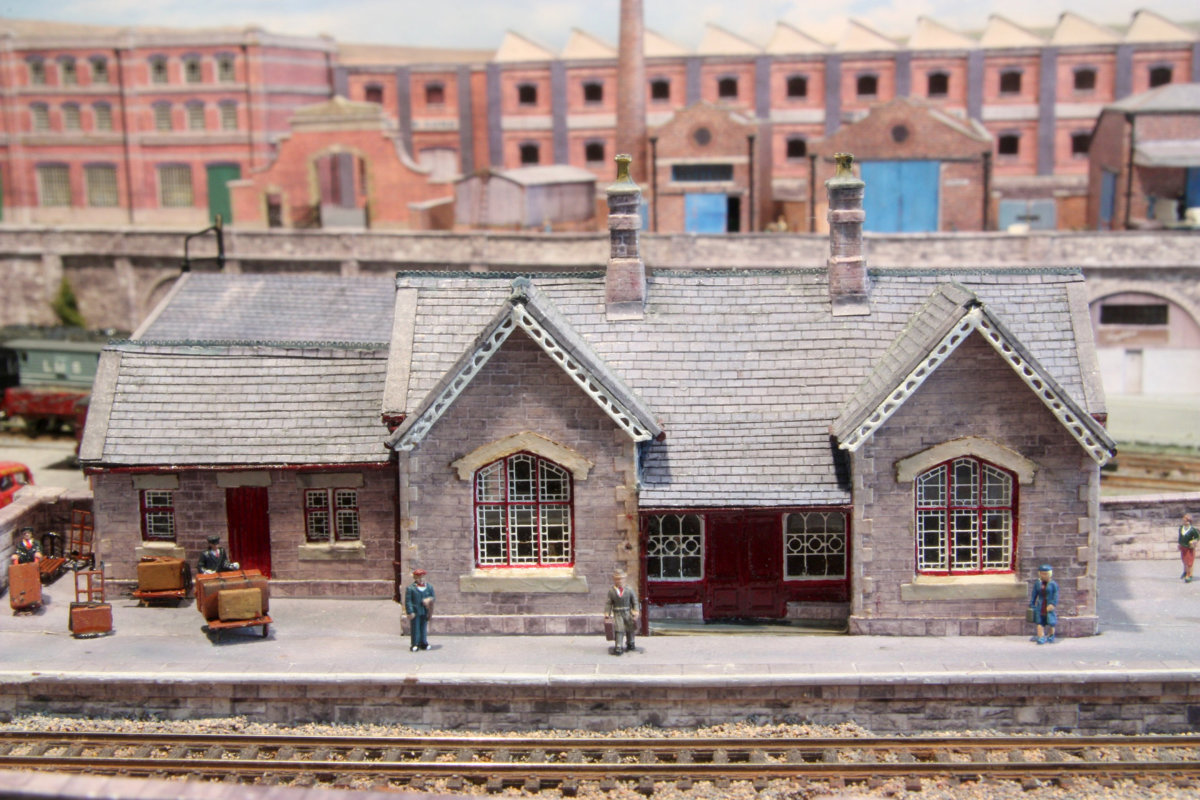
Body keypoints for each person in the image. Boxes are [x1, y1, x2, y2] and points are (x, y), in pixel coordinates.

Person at [604, 569, 639, 655]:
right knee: (619, 629)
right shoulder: (612, 591)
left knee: (630, 628)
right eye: (617, 579)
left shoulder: (629, 590)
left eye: (621, 579)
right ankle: (618, 646)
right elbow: (609, 603)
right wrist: (607, 613)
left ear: (625, 579)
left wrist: (635, 610)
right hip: (618, 613)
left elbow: (634, 601)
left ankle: (631, 643)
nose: (619, 581)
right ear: (614, 579)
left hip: (627, 612)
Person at [404, 568, 435, 652]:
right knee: (415, 628)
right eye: (418, 577)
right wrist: (410, 611)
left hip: (425, 611)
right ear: (415, 578)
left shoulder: (429, 587)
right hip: (416, 611)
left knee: (423, 627)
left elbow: (433, 597)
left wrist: (429, 599)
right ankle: (415, 643)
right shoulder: (411, 588)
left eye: (422, 577)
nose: (421, 579)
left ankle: (423, 642)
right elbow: (408, 601)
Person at [1029, 563, 1058, 645]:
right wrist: (1032, 603)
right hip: (1040, 605)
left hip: (1049, 605)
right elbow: (1034, 594)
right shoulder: (1038, 583)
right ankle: (1041, 637)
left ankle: (1051, 635)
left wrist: (1053, 604)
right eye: (1042, 573)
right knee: (1039, 621)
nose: (1044, 575)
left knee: (1051, 622)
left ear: (1050, 574)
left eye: (1046, 574)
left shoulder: (1053, 584)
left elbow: (1055, 595)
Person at [1177, 513, 1198, 583]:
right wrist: (1179, 544)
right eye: (1184, 521)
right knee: (1184, 560)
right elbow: (1180, 537)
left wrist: (1193, 541)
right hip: (1183, 546)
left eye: (1186, 521)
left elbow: (1197, 537)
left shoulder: (1192, 530)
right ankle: (1185, 571)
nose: (1185, 522)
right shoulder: (1181, 528)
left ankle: (1189, 575)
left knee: (1189, 562)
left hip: (1189, 547)